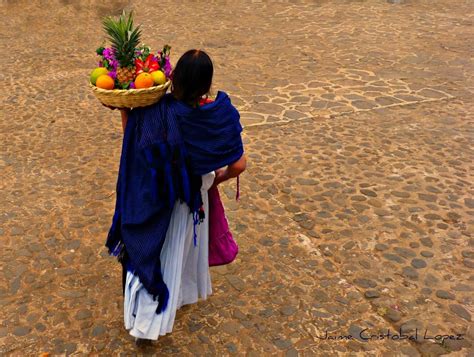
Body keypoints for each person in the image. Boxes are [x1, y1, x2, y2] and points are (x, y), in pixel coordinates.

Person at [106, 49, 246, 343]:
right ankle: (167, 307)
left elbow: (134, 145)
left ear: (173, 77)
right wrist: (218, 178)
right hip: (191, 200)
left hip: (155, 198)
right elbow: (239, 165)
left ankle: (145, 323)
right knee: (177, 256)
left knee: (149, 252)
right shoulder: (220, 115)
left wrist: (124, 111)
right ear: (207, 84)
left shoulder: (155, 112)